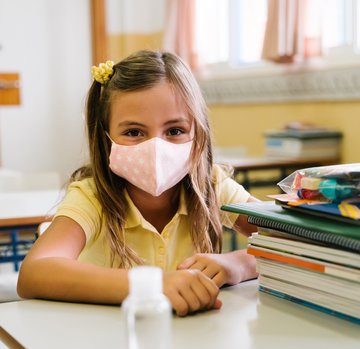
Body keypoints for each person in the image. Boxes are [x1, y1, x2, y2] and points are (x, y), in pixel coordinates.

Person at [17, 50, 258, 317]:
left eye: (175, 131)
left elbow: (297, 238)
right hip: (102, 344)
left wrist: (239, 264)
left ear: (197, 130)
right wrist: (151, 286)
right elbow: (33, 273)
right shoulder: (91, 197)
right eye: (134, 132)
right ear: (106, 136)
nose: (156, 148)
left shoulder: (210, 185)